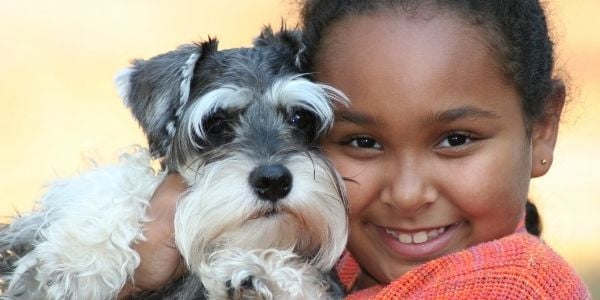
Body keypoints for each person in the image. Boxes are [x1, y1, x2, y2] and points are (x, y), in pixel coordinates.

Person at [120, 0, 591, 298]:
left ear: (542, 128)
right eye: (362, 142)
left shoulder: (512, 285)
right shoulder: (323, 257)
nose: (407, 195)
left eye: (456, 139)